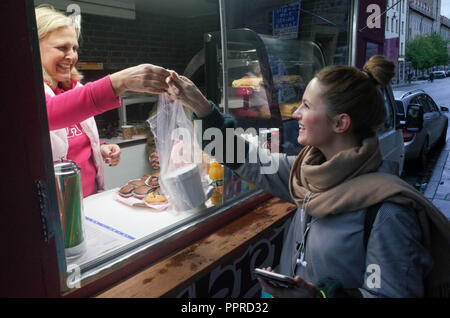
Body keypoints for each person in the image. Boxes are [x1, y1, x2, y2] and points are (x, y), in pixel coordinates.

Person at [164, 55, 450, 298]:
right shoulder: (305, 174)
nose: (297, 113)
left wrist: (321, 296)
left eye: (307, 106)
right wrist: (200, 105)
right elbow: (242, 157)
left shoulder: (388, 212)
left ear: (340, 123)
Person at [36, 5, 170, 197]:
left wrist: (100, 147)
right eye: (62, 48)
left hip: (90, 199)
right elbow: (49, 114)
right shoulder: (28, 96)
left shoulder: (76, 90)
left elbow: (75, 141)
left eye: (74, 48)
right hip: (58, 210)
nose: (72, 56)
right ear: (33, 48)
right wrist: (119, 82)